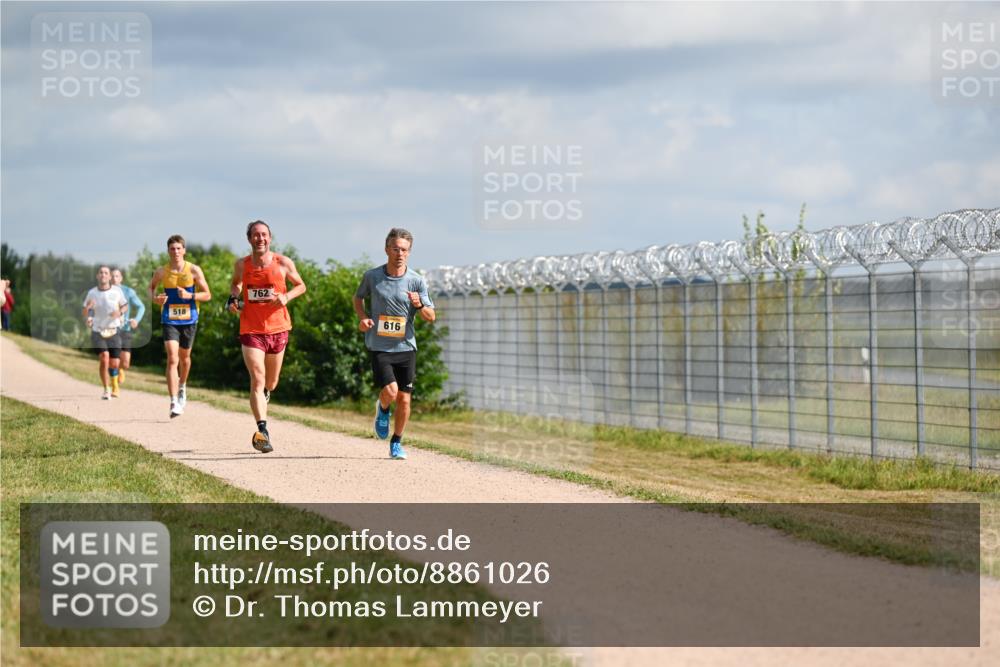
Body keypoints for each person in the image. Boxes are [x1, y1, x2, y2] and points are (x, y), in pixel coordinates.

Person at [353, 228, 435, 460]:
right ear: (387, 249)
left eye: (405, 250)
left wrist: (419, 305)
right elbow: (358, 298)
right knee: (390, 391)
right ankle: (383, 409)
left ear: (409, 253)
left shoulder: (416, 281)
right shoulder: (372, 276)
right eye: (396, 249)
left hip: (406, 347)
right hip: (380, 345)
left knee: (405, 398)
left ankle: (396, 442)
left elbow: (431, 316)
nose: (400, 254)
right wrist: (363, 318)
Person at [228, 220, 306, 453]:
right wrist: (233, 300)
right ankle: (262, 430)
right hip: (251, 329)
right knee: (257, 379)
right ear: (249, 239)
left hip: (278, 328)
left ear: (269, 238)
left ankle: (266, 396)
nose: (260, 238)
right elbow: (235, 285)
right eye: (255, 235)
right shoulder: (242, 265)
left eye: (264, 235)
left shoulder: (282, 263)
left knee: (271, 383)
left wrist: (286, 297)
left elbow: (301, 286)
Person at [149, 235, 211, 417]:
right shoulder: (161, 271)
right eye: (172, 249)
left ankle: (182, 385)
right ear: (167, 251)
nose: (175, 252)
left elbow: (207, 295)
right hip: (169, 319)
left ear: (184, 250)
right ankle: (174, 401)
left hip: (189, 319)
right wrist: (156, 299)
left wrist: (190, 296)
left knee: (185, 358)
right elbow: (151, 288)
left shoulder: (193, 270)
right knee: (172, 358)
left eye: (178, 248)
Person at [82, 266, 128, 399]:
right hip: (98, 330)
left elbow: (125, 305)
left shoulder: (117, 291)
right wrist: (88, 310)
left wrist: (119, 312)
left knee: (114, 363)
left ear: (109, 277)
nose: (103, 275)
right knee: (104, 357)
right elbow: (85, 312)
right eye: (101, 273)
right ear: (97, 276)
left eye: (106, 273)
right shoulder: (92, 293)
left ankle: (115, 385)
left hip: (114, 330)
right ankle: (106, 389)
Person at [111, 268, 146, 385]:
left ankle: (120, 369)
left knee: (125, 362)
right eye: (112, 276)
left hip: (125, 328)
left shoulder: (128, 291)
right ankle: (114, 384)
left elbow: (141, 307)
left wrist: (136, 320)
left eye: (117, 276)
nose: (114, 278)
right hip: (110, 329)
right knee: (113, 358)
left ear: (121, 278)